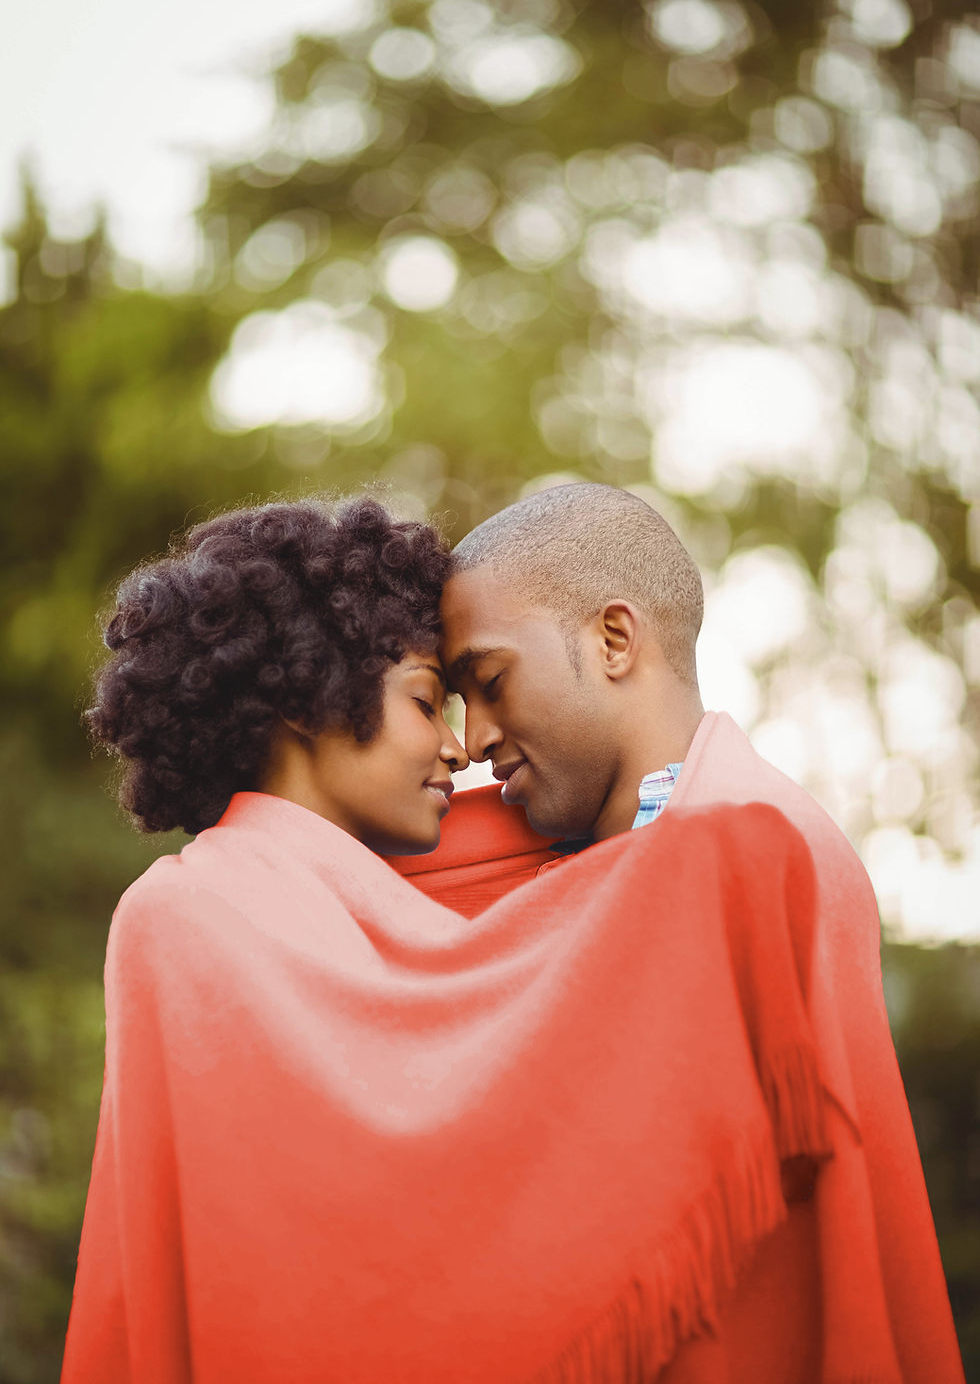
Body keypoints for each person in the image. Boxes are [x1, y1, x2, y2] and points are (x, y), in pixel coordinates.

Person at [396, 480, 963, 1382]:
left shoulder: (767, 858)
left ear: (613, 639)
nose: (475, 735)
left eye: (491, 683)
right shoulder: (544, 845)